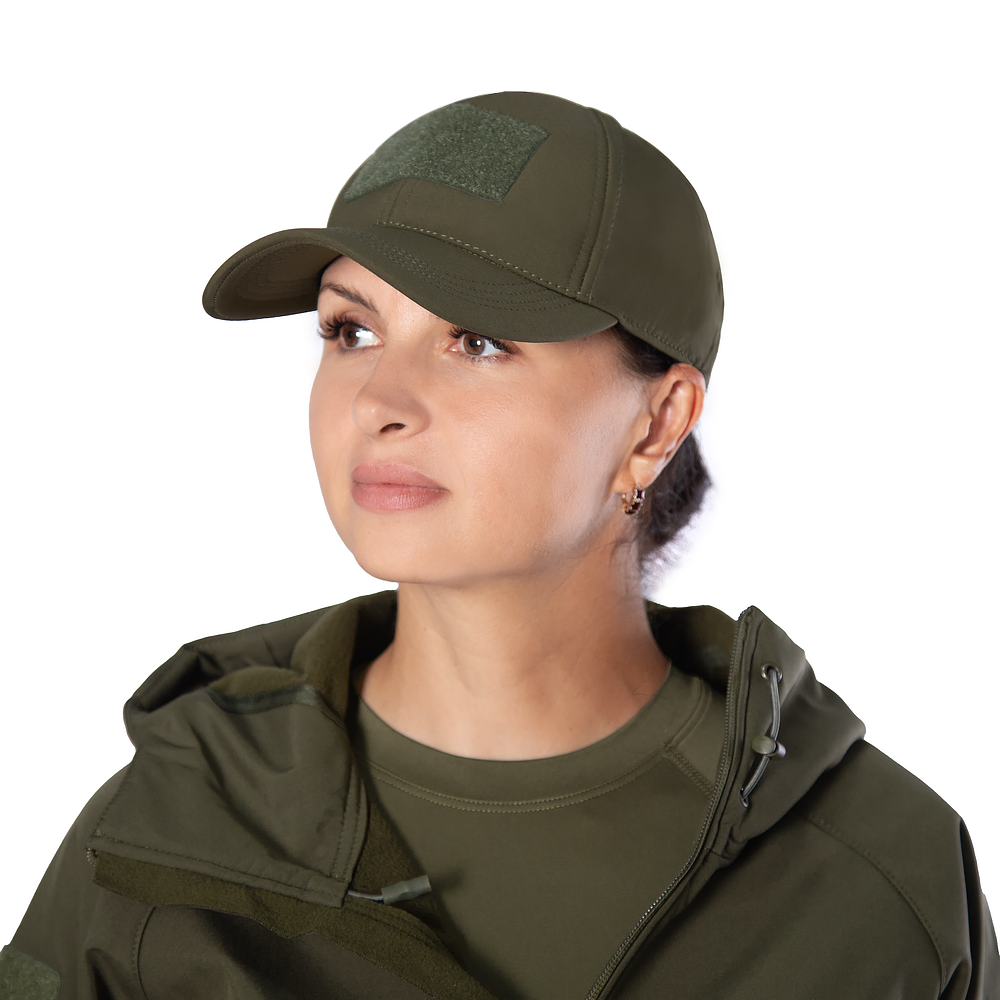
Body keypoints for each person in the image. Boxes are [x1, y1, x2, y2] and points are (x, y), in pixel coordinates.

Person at [2, 91, 996, 1000]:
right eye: (351, 331)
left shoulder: (881, 883)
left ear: (657, 423)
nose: (379, 401)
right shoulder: (163, 844)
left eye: (477, 341)